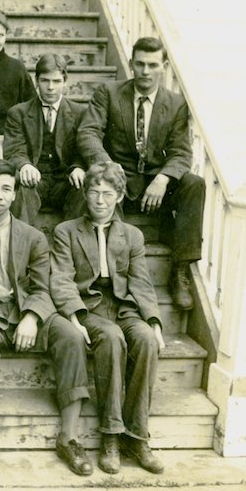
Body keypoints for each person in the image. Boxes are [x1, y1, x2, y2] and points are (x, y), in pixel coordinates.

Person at [0, 159, 91, 477]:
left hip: (24, 309)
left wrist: (31, 316)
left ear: (15, 195)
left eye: (6, 189)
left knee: (70, 335)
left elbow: (42, 287)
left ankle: (69, 437)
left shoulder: (34, 237)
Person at [50, 161, 165, 475]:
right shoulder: (66, 231)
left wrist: (154, 322)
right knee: (112, 338)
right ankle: (111, 436)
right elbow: (61, 278)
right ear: (85, 194)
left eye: (108, 193)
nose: (100, 200)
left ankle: (137, 436)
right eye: (94, 192)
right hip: (90, 307)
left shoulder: (132, 235)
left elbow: (141, 281)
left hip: (123, 306)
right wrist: (74, 316)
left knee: (144, 340)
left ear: (119, 196)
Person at [75, 37, 205, 310]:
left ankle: (180, 271)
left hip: (153, 184)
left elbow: (182, 152)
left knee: (194, 185)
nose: (146, 71)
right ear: (132, 64)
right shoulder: (109, 93)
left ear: (164, 67)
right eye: (140, 64)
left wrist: (163, 178)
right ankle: (113, 276)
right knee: (103, 193)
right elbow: (88, 132)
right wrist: (107, 166)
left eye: (153, 65)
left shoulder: (176, 104)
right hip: (119, 177)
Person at [3, 52, 87, 227]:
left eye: (56, 81)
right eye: (45, 81)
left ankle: (70, 244)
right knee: (21, 187)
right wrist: (25, 165)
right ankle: (22, 243)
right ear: (36, 81)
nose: (50, 87)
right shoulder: (18, 112)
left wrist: (78, 167)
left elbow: (84, 147)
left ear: (65, 81)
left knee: (84, 188)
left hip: (65, 181)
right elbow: (14, 148)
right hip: (35, 181)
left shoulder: (80, 113)